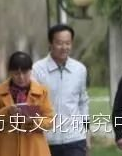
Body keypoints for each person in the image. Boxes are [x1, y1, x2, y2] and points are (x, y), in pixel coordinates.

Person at [32, 24, 89, 156]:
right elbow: (33, 104)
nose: (64, 48)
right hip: (47, 139)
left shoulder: (79, 69)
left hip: (75, 139)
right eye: (59, 43)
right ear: (50, 43)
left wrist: (87, 134)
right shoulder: (37, 70)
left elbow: (83, 102)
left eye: (68, 43)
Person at [0, 51, 54, 156]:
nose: (21, 77)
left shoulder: (41, 92)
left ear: (31, 71)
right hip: (6, 148)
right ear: (10, 72)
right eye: (16, 73)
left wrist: (34, 121)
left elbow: (50, 121)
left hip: (34, 149)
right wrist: (7, 111)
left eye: (25, 72)